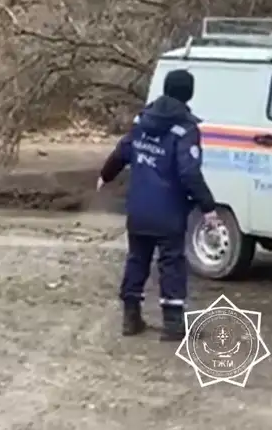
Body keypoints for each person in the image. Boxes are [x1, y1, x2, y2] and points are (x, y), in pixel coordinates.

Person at [97, 69, 220, 341]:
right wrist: (208, 206)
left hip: (138, 209)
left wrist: (105, 176)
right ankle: (173, 325)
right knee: (171, 263)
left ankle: (131, 318)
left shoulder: (142, 120)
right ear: (189, 93)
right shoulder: (185, 129)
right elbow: (189, 172)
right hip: (169, 212)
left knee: (137, 259)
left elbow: (122, 152)